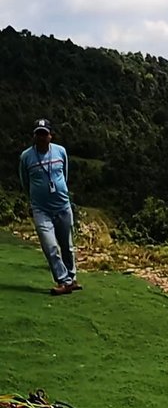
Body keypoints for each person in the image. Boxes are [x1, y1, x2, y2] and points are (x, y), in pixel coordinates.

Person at [19, 119, 79, 295]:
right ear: (34, 136)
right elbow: (25, 181)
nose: (41, 137)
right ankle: (63, 280)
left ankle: (71, 278)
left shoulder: (61, 152)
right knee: (50, 246)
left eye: (44, 133)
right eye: (38, 133)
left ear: (50, 135)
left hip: (62, 205)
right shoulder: (26, 157)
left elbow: (64, 175)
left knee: (67, 245)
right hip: (41, 209)